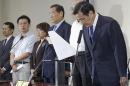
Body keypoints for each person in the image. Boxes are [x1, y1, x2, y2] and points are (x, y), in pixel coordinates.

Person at [73, 1, 127, 86]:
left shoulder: (110, 24)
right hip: (96, 77)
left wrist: (123, 74)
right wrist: (92, 72)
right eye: (79, 20)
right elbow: (88, 53)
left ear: (90, 13)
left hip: (112, 76)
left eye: (82, 19)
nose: (81, 22)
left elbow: (119, 50)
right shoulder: (85, 27)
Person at [69, 0, 92, 86]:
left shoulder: (87, 22)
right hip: (74, 56)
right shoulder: (74, 24)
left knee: (85, 80)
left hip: (84, 55)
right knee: (76, 80)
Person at [10, 15, 36, 85]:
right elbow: (12, 52)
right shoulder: (17, 37)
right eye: (20, 24)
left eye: (25, 23)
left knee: (22, 85)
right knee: (15, 84)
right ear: (18, 25)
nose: (22, 25)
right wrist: (13, 64)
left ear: (29, 24)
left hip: (24, 66)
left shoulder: (32, 37)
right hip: (15, 67)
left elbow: (27, 53)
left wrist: (14, 60)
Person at [49, 4, 71, 85]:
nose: (50, 16)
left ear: (61, 13)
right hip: (51, 66)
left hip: (61, 67)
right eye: (49, 13)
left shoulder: (67, 28)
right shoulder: (50, 29)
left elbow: (67, 49)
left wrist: (67, 68)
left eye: (52, 13)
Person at [0, 22, 15, 86]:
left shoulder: (15, 40)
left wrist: (4, 68)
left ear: (12, 30)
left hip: (9, 71)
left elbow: (13, 56)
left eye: (5, 29)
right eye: (3, 29)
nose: (3, 30)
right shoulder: (1, 42)